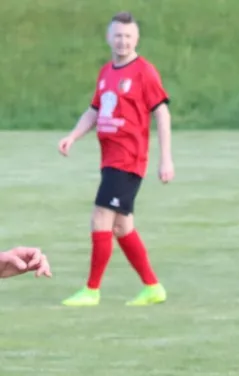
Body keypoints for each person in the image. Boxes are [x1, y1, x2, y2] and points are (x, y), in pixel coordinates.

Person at [57, 11, 172, 308]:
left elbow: (161, 112)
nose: (123, 41)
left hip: (128, 160)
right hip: (110, 160)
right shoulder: (107, 72)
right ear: (109, 37)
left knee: (100, 218)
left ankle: (91, 290)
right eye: (118, 35)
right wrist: (72, 136)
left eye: (128, 36)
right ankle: (152, 287)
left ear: (137, 39)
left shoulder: (144, 72)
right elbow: (94, 110)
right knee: (122, 228)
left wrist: (166, 159)